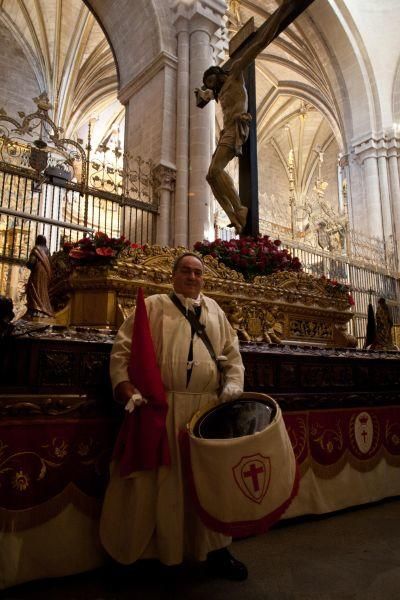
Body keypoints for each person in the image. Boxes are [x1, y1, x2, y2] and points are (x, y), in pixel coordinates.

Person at [100, 252, 247, 580]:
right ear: (174, 275)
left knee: (208, 483)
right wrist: (123, 385)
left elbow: (233, 357)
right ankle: (145, 554)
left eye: (197, 273)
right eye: (185, 271)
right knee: (154, 482)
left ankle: (215, 550)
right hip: (161, 409)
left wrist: (233, 386)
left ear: (203, 279)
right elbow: (123, 349)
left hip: (206, 411)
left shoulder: (216, 313)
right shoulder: (153, 306)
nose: (192, 277)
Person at [196, 1, 297, 234]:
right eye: (209, 84)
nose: (212, 86)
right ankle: (236, 211)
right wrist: (201, 95)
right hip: (227, 131)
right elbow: (201, 99)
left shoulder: (236, 71)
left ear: (220, 74)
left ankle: (239, 209)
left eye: (212, 81)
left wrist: (281, 14)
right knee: (211, 175)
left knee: (214, 172)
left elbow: (259, 42)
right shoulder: (218, 92)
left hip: (238, 128)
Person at [25, 235, 54, 317]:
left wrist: (27, 264)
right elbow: (50, 262)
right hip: (45, 273)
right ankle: (43, 309)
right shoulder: (47, 250)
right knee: (43, 290)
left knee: (33, 289)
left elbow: (31, 262)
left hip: (37, 273)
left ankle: (35, 309)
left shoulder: (36, 249)